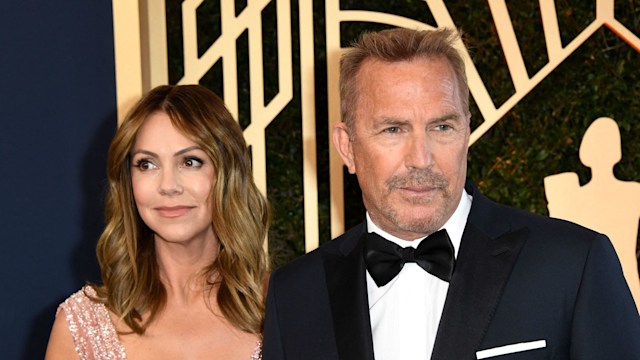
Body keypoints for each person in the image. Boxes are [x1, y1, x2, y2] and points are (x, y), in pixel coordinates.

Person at [262, 28, 640, 359]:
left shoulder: (571, 265)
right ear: (347, 147)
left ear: (467, 133)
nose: (421, 159)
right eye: (393, 129)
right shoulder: (295, 294)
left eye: (442, 126)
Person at [45, 85, 269, 359]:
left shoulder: (281, 307)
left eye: (190, 162)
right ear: (128, 182)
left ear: (228, 173)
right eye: (147, 164)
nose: (168, 186)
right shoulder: (82, 327)